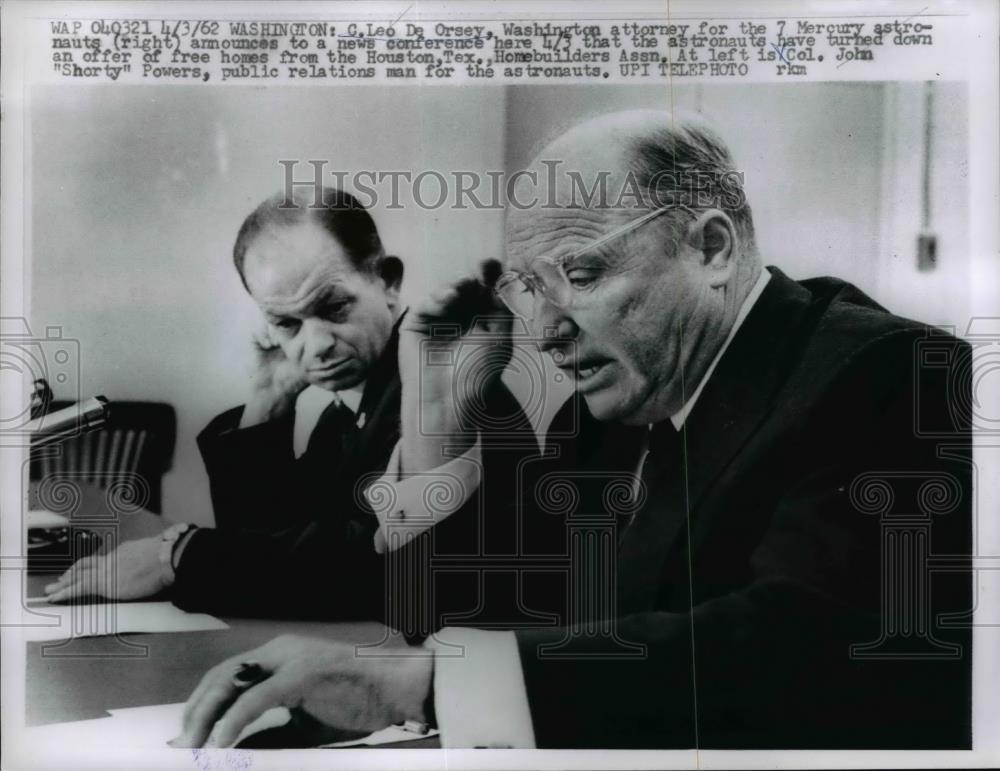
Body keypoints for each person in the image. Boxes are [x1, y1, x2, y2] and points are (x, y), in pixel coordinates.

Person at [171, 111, 972, 749]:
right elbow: (484, 590)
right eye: (531, 288)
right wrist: (434, 426)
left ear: (713, 248)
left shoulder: (896, 374)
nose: (546, 329)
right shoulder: (616, 409)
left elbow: (796, 650)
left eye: (581, 275)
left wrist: (426, 687)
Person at [45, 187, 538, 631]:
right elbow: (275, 544)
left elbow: (365, 574)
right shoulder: (343, 412)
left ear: (388, 282)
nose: (315, 345)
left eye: (334, 308)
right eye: (286, 324)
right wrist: (268, 404)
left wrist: (179, 555)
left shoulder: (450, 392)